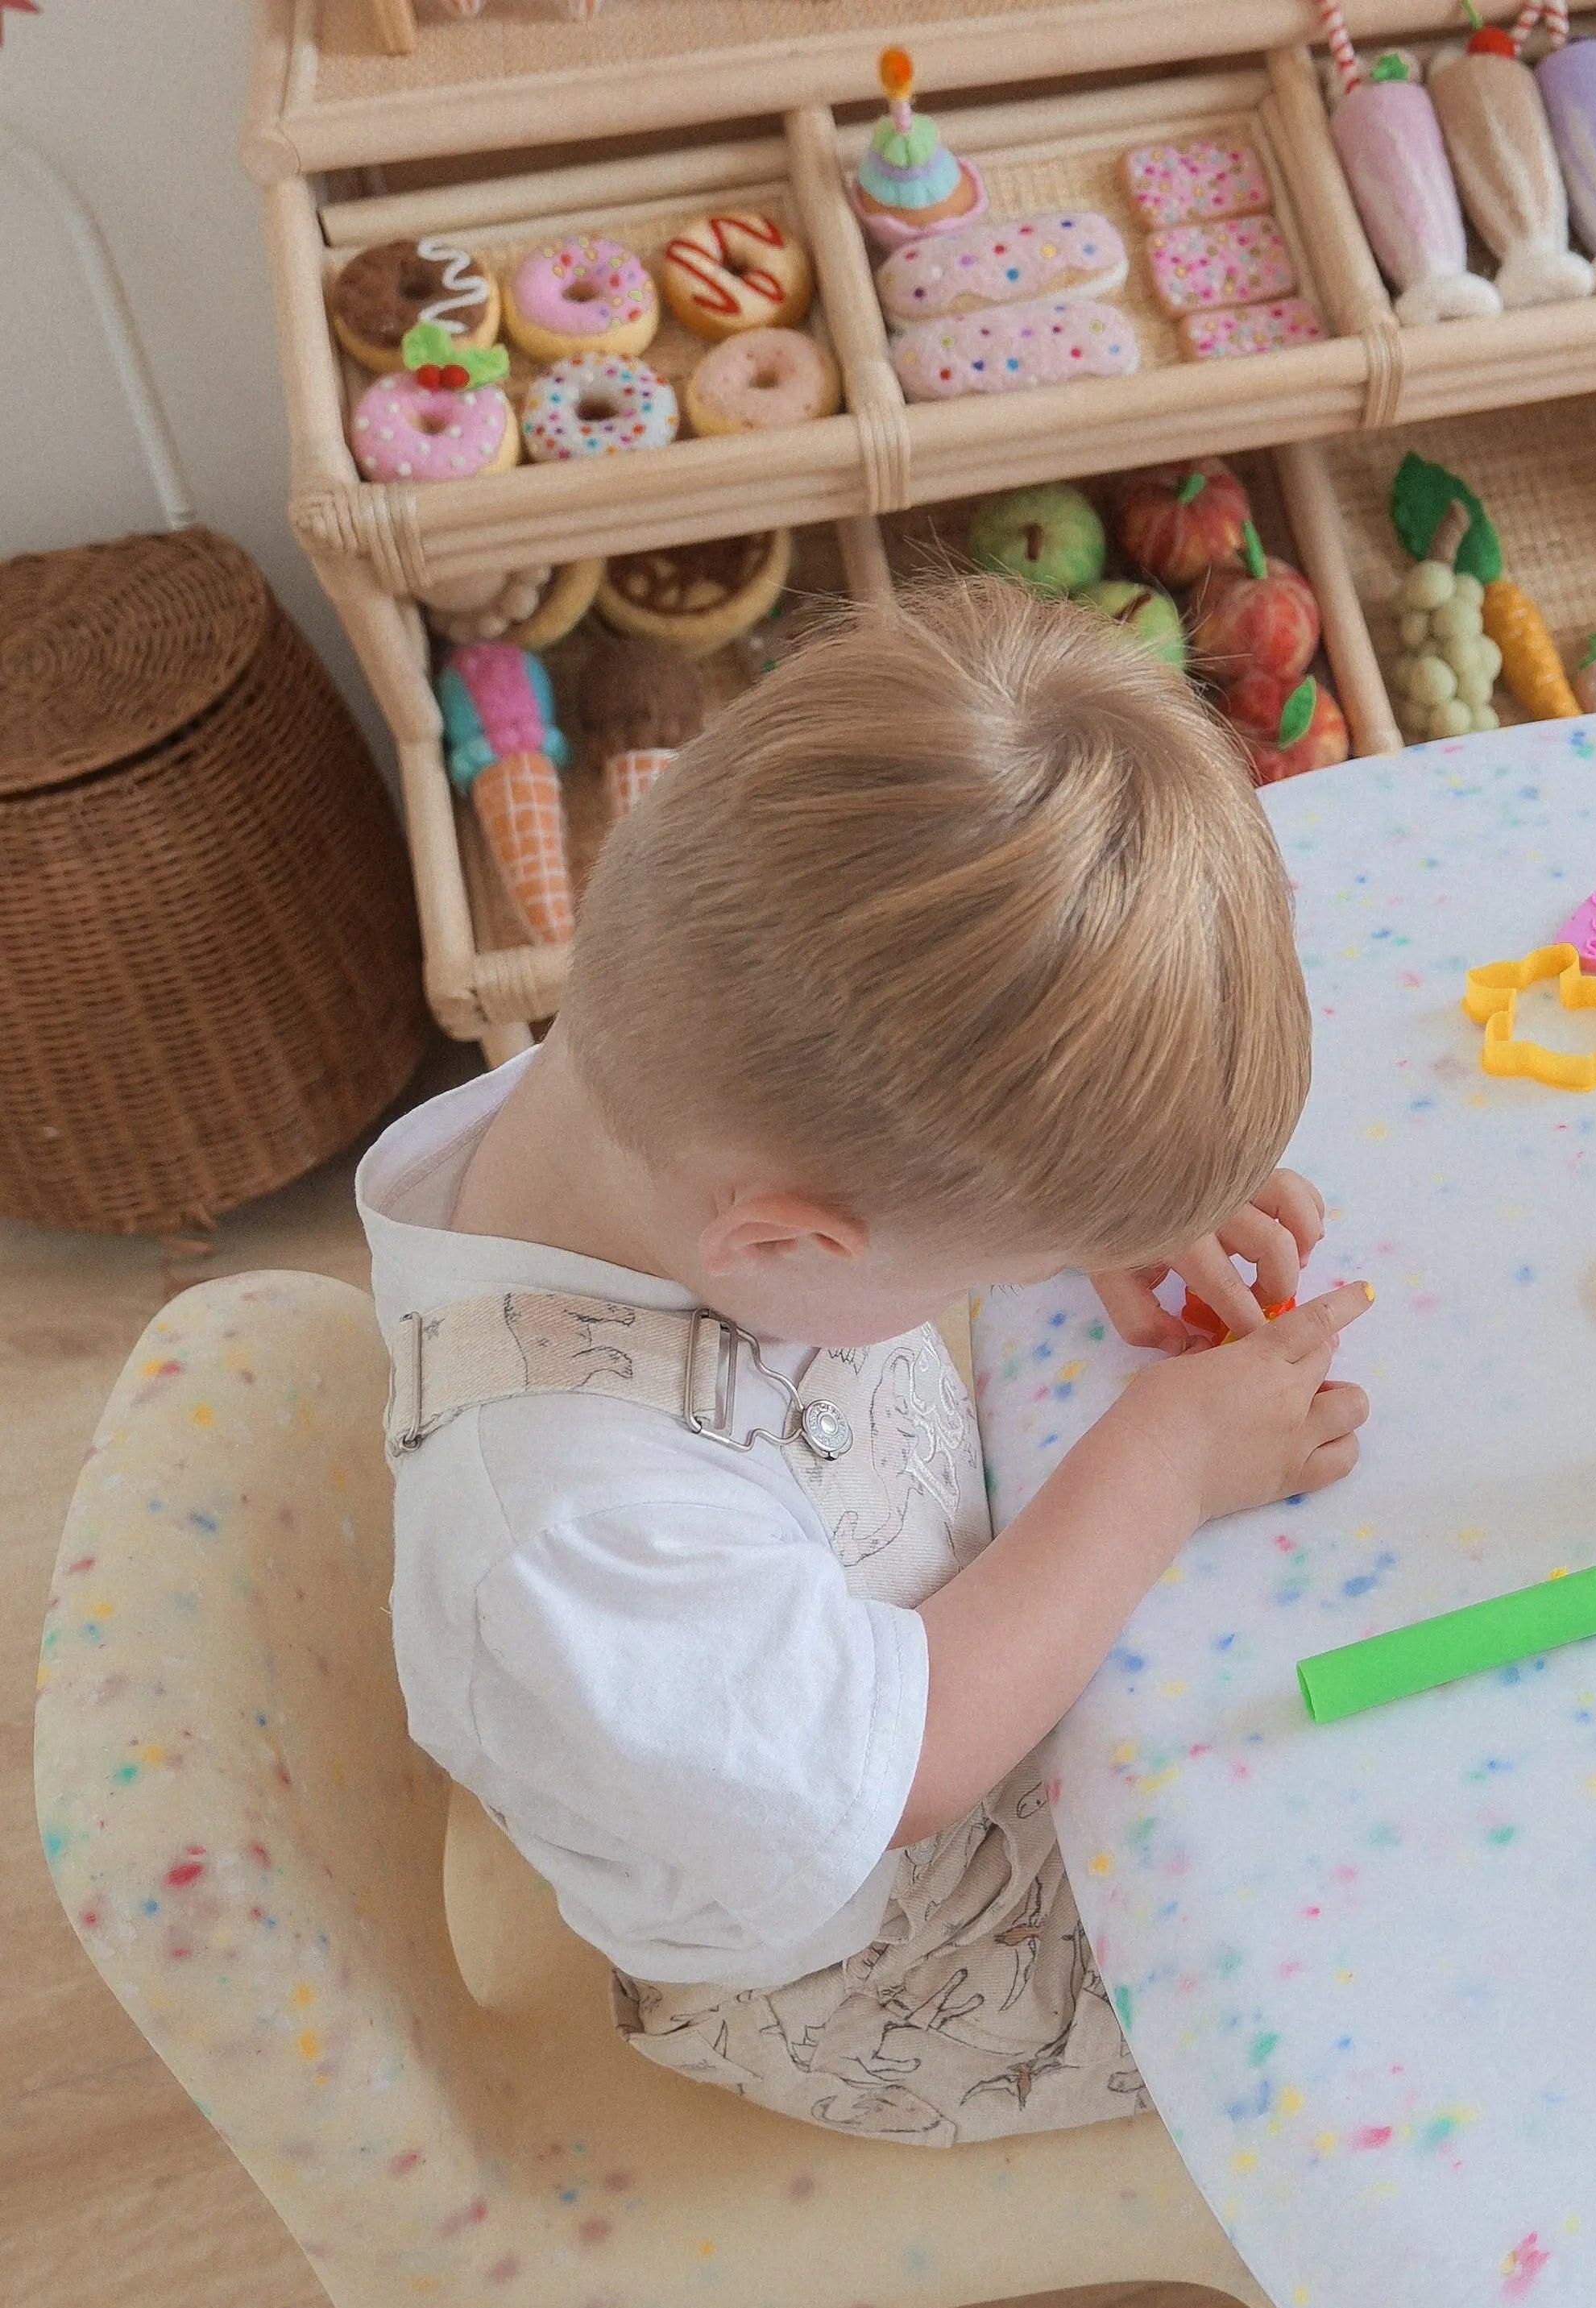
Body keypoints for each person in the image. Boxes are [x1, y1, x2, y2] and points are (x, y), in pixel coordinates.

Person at [360, 578, 1367, 2144]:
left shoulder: (690, 1049)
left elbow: (908, 1070)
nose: (1038, 1276)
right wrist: (1156, 1465)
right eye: (1016, 1260)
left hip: (868, 1639)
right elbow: (907, 1762)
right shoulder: (581, 1532)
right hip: (894, 1951)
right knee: (1348, 1961)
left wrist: (1087, 1183)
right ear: (791, 1246)